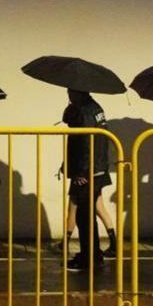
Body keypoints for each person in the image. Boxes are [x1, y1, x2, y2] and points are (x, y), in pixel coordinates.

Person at [58, 102, 118, 258]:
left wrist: (78, 172)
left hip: (85, 172)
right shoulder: (97, 110)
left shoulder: (82, 123)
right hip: (98, 168)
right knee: (98, 206)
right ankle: (113, 242)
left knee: (74, 207)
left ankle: (66, 242)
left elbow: (82, 149)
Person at [64, 89, 111, 272]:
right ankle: (94, 254)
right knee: (89, 214)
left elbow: (85, 143)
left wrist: (82, 171)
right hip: (96, 168)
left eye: (71, 91)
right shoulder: (95, 108)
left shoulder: (85, 111)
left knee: (84, 217)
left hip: (88, 170)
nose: (68, 95)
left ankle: (88, 258)